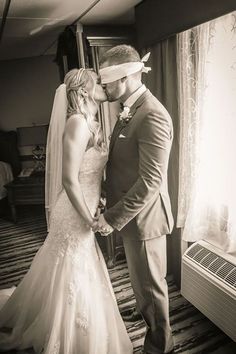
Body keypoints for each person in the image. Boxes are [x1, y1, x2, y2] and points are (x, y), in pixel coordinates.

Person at [0, 68, 133, 354]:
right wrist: (88, 216)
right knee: (72, 266)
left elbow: (92, 172)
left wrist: (98, 200)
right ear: (84, 91)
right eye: (97, 82)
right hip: (73, 212)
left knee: (71, 267)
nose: (103, 84)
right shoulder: (76, 123)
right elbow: (69, 179)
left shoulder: (93, 121)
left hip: (86, 204)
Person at [95, 45, 175, 354]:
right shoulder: (130, 108)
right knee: (142, 288)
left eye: (106, 80)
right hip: (131, 216)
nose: (104, 87)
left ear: (124, 76)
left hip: (145, 220)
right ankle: (148, 320)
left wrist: (112, 217)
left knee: (151, 291)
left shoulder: (152, 115)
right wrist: (105, 195)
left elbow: (151, 182)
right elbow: (122, 163)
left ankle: (160, 348)